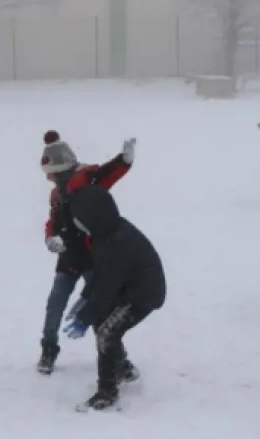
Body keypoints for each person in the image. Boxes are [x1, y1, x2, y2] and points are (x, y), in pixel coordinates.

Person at [37, 130, 135, 375]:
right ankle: (49, 349)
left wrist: (123, 160)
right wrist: (50, 237)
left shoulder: (86, 179)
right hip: (69, 257)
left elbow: (106, 173)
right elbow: (53, 221)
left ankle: (119, 359)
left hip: (94, 257)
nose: (48, 178)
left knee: (100, 310)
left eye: (51, 173)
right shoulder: (56, 194)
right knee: (55, 304)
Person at [62, 185, 166, 411]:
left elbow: (107, 287)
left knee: (107, 333)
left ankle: (106, 393)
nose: (78, 223)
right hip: (126, 289)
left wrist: (85, 316)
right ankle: (123, 368)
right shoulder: (105, 233)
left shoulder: (118, 242)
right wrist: (84, 298)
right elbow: (99, 273)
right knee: (102, 324)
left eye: (80, 218)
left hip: (142, 294)